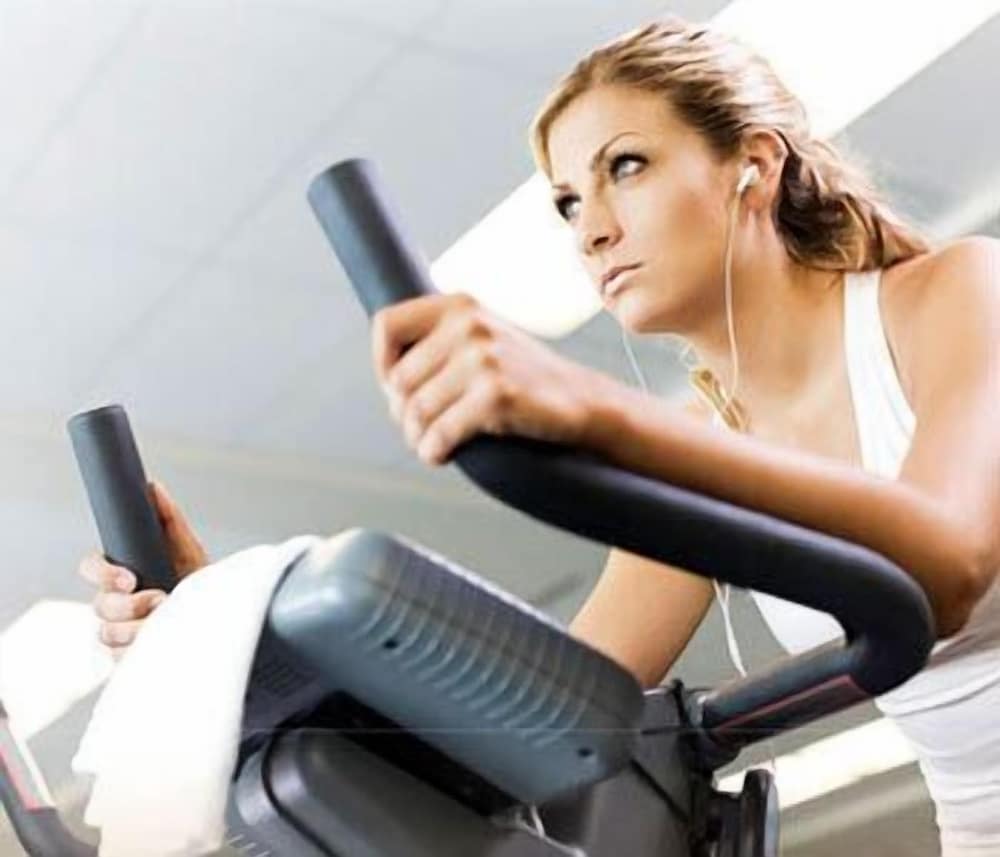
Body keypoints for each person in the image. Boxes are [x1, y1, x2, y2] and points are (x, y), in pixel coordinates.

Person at [81, 17, 999, 856]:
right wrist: (233, 643)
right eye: (566, 202)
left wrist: (592, 410)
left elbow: (946, 564)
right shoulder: (700, 443)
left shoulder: (956, 291)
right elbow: (539, 719)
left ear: (752, 163)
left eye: (625, 166)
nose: (591, 229)